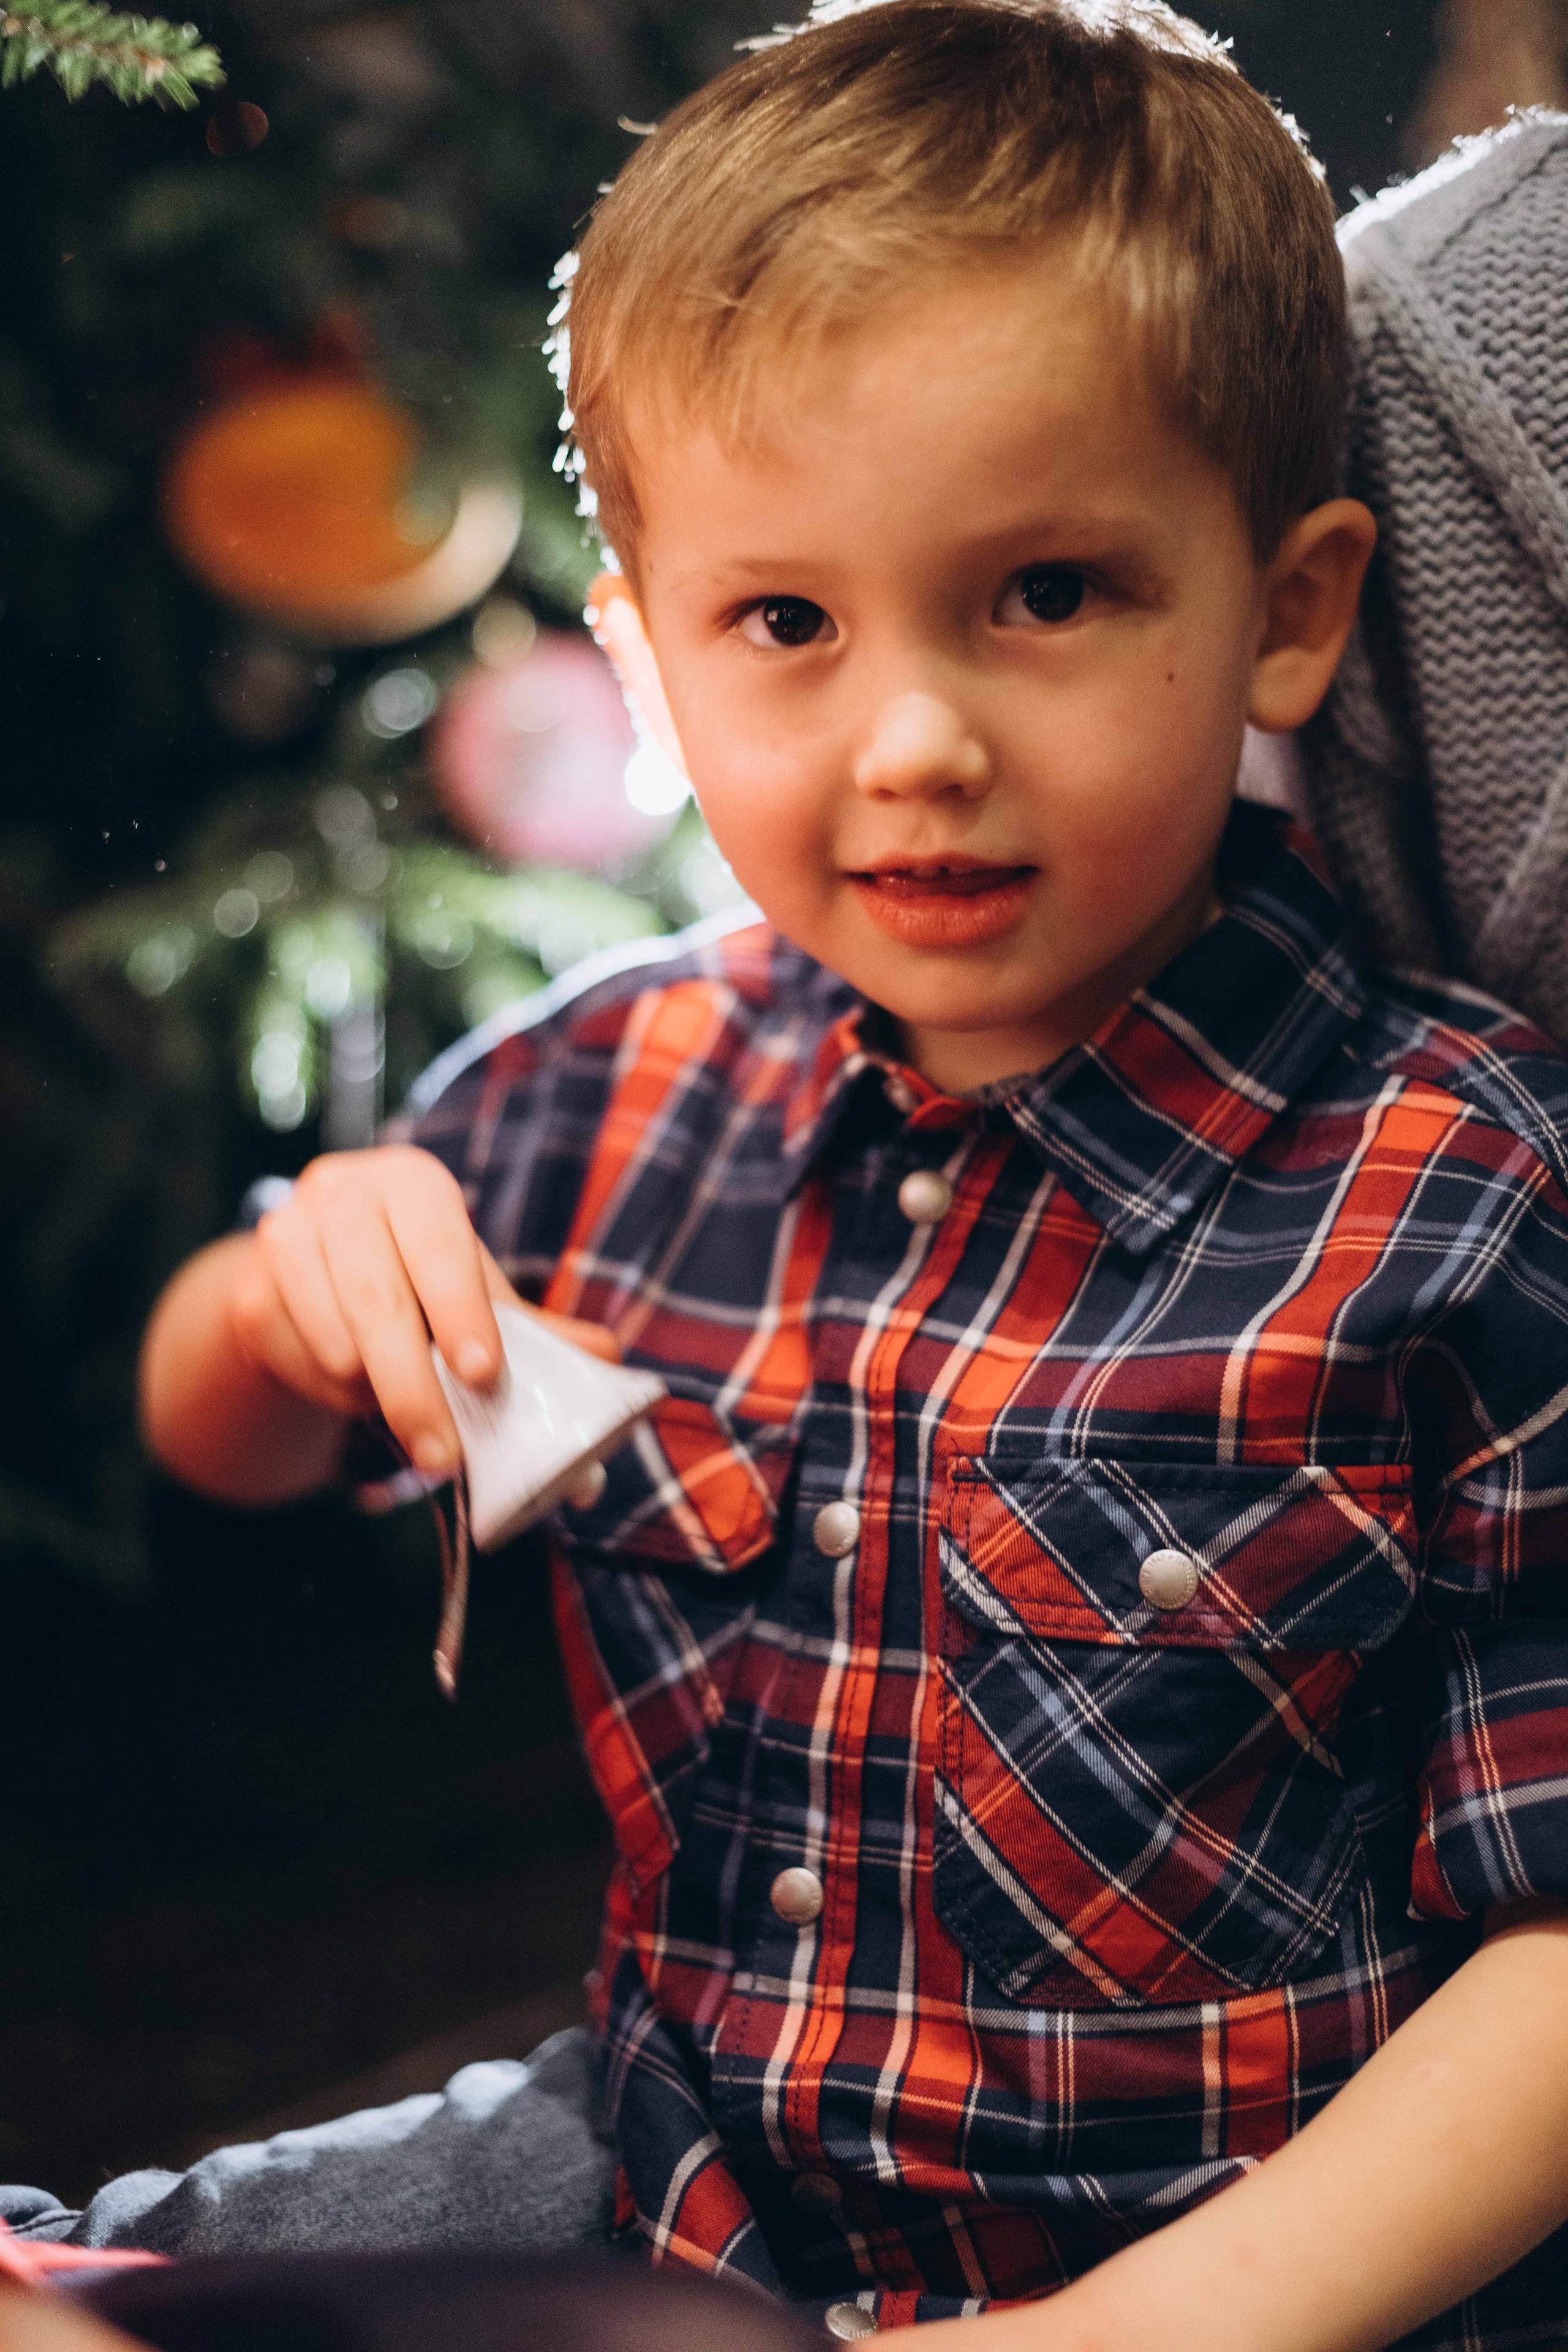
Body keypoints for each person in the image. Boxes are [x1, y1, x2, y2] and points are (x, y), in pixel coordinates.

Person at [11, 4, 1568, 2344]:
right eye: (787, 625)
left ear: (1292, 607)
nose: (915, 741)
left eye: (1047, 594)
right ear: (646, 663)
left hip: (1242, 2251)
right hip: (672, 2178)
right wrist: (280, 1294)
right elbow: (213, 1439)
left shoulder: (1459, 1191)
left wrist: (1160, 2331)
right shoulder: (606, 1093)